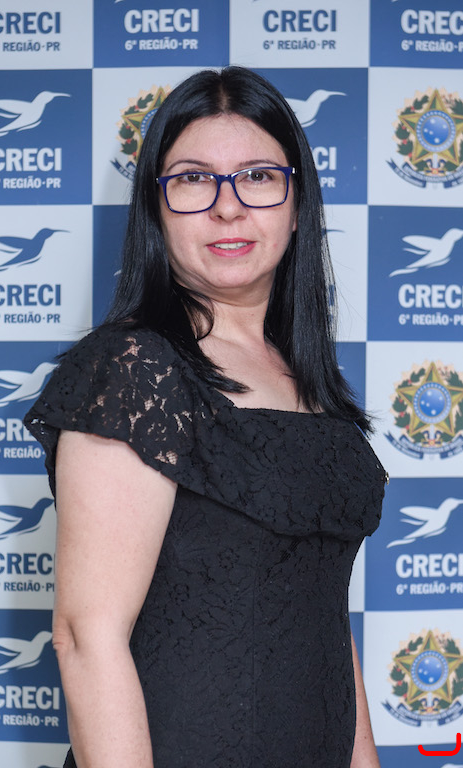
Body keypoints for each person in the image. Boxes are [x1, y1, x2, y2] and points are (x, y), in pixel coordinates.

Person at [24, 66, 386, 768]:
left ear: (296, 203)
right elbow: (87, 636)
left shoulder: (310, 382)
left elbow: (320, 621)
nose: (228, 207)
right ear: (156, 207)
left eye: (257, 176)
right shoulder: (134, 369)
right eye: (194, 179)